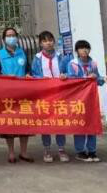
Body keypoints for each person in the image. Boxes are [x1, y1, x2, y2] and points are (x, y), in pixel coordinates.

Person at [0, 27, 34, 164]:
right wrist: (5, 77)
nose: (11, 38)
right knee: (9, 122)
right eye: (8, 36)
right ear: (4, 39)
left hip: (23, 92)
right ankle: (11, 153)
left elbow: (28, 69)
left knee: (24, 122)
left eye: (13, 35)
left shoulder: (22, 52)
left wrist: (28, 75)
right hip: (7, 93)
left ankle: (24, 152)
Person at [65, 39, 107, 163]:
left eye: (86, 48)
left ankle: (92, 151)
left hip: (91, 99)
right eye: (81, 48)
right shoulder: (72, 64)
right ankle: (80, 151)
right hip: (78, 99)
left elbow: (98, 80)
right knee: (80, 123)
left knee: (92, 123)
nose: (84, 50)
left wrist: (100, 78)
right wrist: (86, 78)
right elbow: (71, 81)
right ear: (77, 51)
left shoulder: (93, 64)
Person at [31, 30, 69, 163]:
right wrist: (42, 79)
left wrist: (65, 75)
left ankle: (61, 148)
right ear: (40, 44)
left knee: (60, 121)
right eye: (45, 41)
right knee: (45, 122)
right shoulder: (37, 58)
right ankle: (47, 149)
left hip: (60, 94)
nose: (48, 43)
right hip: (45, 95)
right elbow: (34, 74)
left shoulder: (61, 57)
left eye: (50, 40)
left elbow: (68, 72)